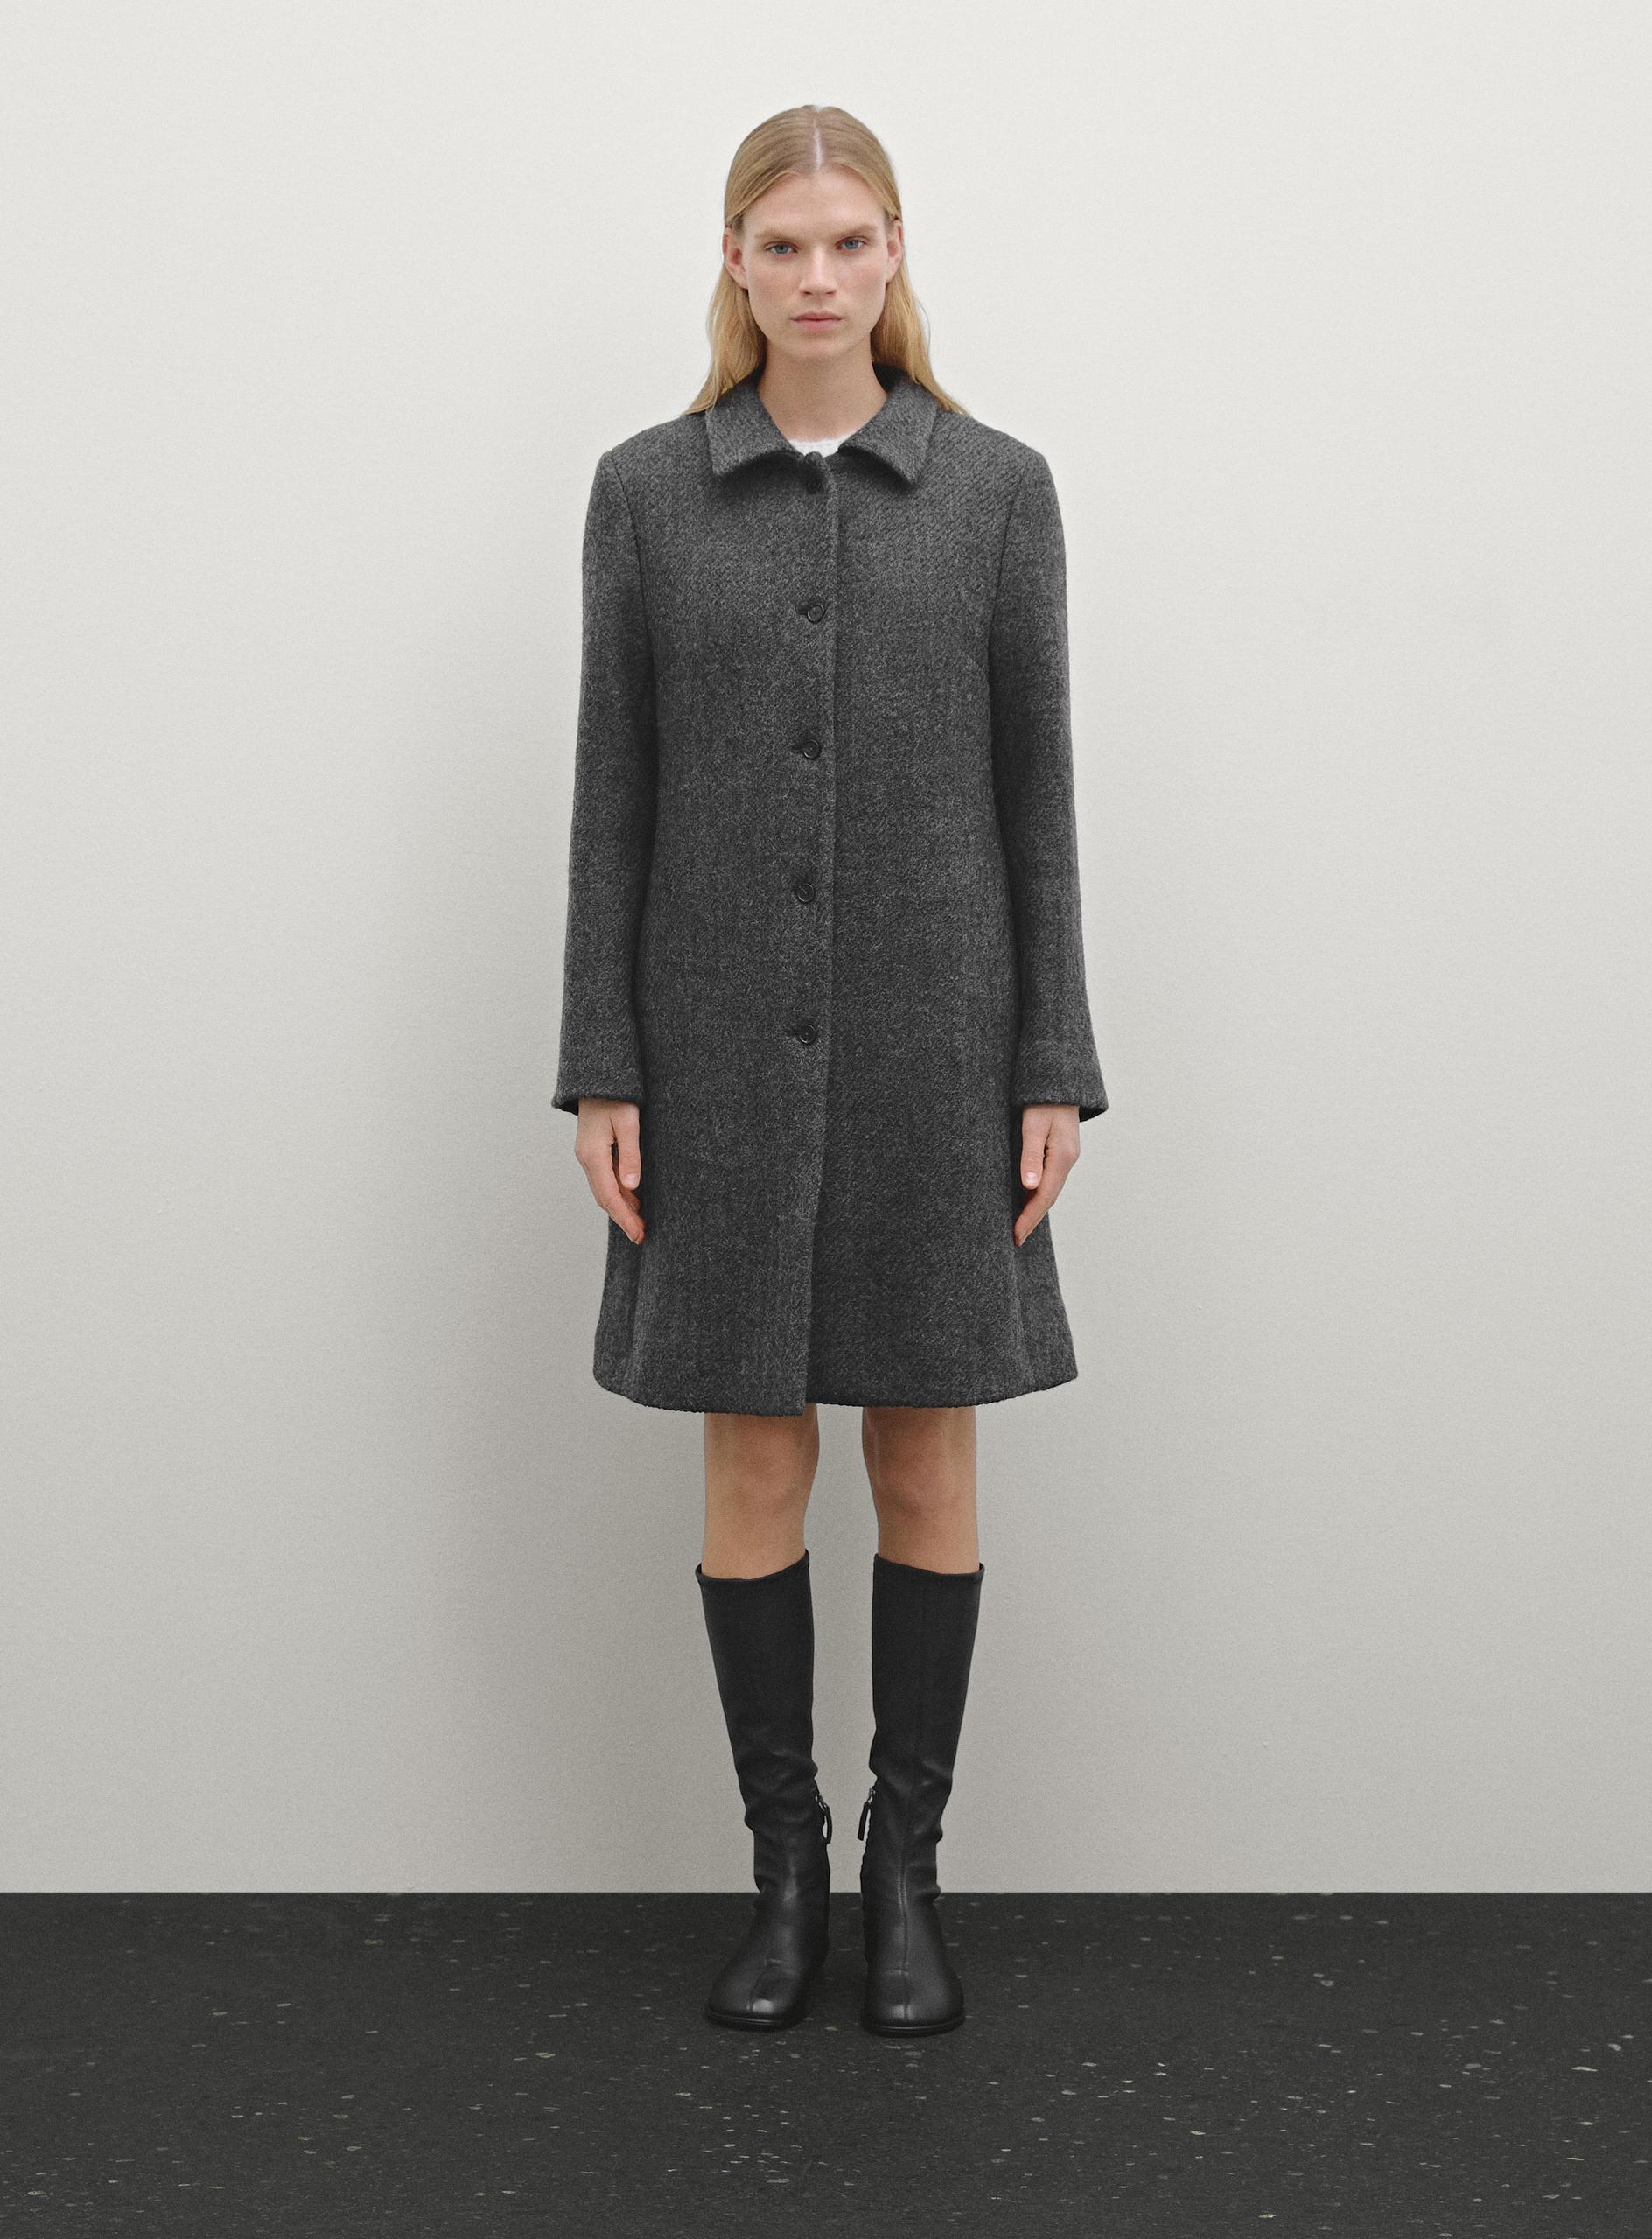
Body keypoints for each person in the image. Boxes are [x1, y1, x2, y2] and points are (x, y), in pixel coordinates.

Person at [551, 105, 1107, 2036]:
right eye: (781, 244)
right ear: (733, 258)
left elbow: (1039, 797)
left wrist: (1053, 1055)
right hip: (708, 1043)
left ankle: (906, 1872)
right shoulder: (645, 492)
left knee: (928, 1445)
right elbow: (612, 794)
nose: (816, 277)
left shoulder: (997, 491)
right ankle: (783, 1868)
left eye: (849, 242)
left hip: (943, 1039)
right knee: (756, 1450)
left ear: (895, 252)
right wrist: (603, 1061)